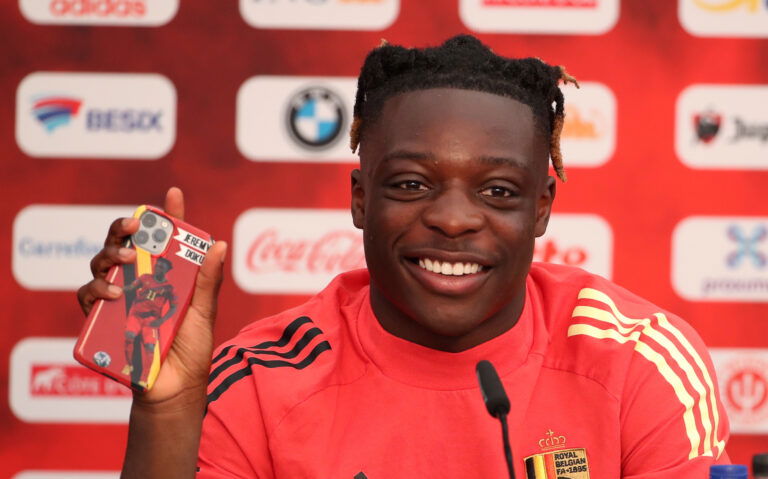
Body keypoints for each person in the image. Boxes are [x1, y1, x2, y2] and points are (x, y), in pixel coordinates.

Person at [77, 35, 730, 478]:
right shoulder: (256, 379)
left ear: (542, 207)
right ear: (361, 198)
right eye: (411, 184)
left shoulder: (642, 362)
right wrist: (166, 411)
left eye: (498, 191)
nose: (451, 218)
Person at [122, 256, 177, 387]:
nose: (157, 268)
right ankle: (129, 365)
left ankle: (143, 379)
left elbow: (174, 307)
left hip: (151, 320)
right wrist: (120, 289)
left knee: (150, 348)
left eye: (161, 267)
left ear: (166, 270)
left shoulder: (169, 288)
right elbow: (131, 287)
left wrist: (162, 320)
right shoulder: (145, 278)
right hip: (136, 314)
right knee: (129, 336)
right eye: (157, 265)